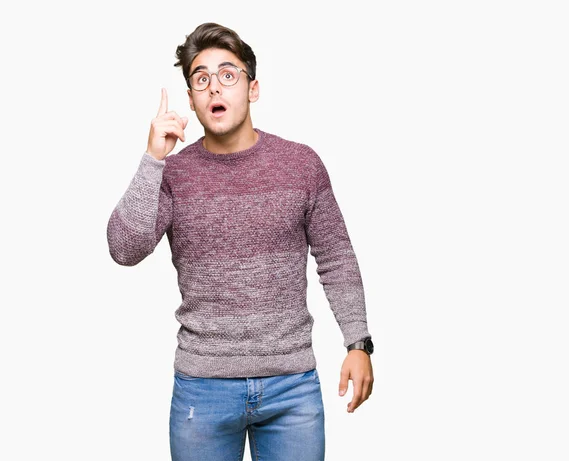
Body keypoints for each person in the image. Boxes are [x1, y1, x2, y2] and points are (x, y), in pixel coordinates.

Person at [106, 22, 374, 461]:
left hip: (292, 387)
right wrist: (153, 158)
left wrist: (358, 343)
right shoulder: (172, 174)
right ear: (192, 99)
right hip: (202, 389)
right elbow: (124, 248)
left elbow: (336, 257)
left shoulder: (301, 165)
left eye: (228, 75)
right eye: (201, 78)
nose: (215, 87)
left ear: (253, 89)